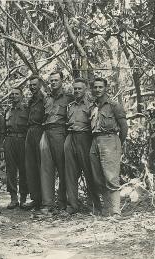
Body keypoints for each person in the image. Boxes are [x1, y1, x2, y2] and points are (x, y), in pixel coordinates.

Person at [89, 77, 128, 217]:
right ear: (92, 89)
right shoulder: (93, 106)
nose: (98, 90)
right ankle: (107, 209)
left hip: (110, 139)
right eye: (95, 87)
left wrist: (117, 143)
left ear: (106, 88)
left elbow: (124, 126)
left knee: (111, 177)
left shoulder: (113, 105)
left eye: (100, 87)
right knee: (98, 177)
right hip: (95, 141)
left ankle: (116, 211)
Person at [64, 78, 101, 214]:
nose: (77, 91)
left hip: (85, 138)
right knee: (70, 173)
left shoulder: (91, 106)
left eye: (80, 88)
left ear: (85, 90)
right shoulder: (70, 106)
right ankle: (72, 205)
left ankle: (95, 205)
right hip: (70, 137)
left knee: (89, 171)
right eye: (75, 89)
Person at [40, 70, 74, 215]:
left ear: (62, 81)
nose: (53, 83)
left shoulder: (69, 98)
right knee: (46, 169)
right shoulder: (46, 99)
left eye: (56, 80)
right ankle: (48, 203)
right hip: (46, 132)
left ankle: (62, 202)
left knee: (62, 168)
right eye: (51, 80)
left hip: (60, 132)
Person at [4, 88, 29, 209]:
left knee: (24, 168)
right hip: (9, 140)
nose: (14, 96)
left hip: (23, 140)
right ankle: (14, 198)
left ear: (21, 96)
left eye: (16, 94)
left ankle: (23, 198)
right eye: (12, 94)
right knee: (11, 170)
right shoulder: (7, 111)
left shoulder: (26, 110)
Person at [23, 75, 45, 210]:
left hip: (40, 131)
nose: (32, 87)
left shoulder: (45, 99)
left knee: (41, 165)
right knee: (30, 166)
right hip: (30, 132)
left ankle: (45, 199)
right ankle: (35, 198)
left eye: (34, 85)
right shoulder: (30, 101)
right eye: (30, 85)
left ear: (40, 85)